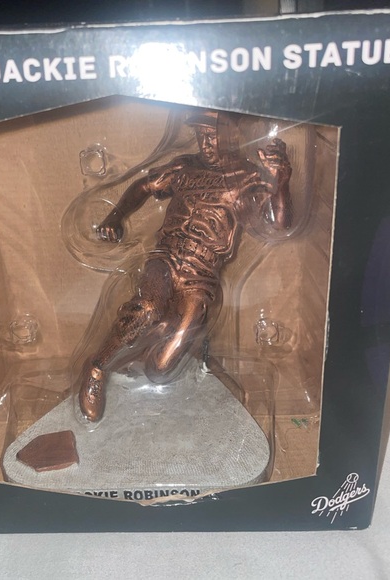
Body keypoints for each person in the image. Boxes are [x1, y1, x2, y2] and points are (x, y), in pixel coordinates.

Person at [77, 109, 293, 421]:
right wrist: (115, 216)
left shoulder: (247, 177)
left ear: (233, 135)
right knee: (147, 307)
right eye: (201, 135)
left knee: (160, 369)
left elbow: (280, 223)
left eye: (212, 136)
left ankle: (161, 332)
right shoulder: (184, 166)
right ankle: (97, 366)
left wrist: (281, 180)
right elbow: (143, 187)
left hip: (201, 274)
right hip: (165, 258)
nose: (206, 144)